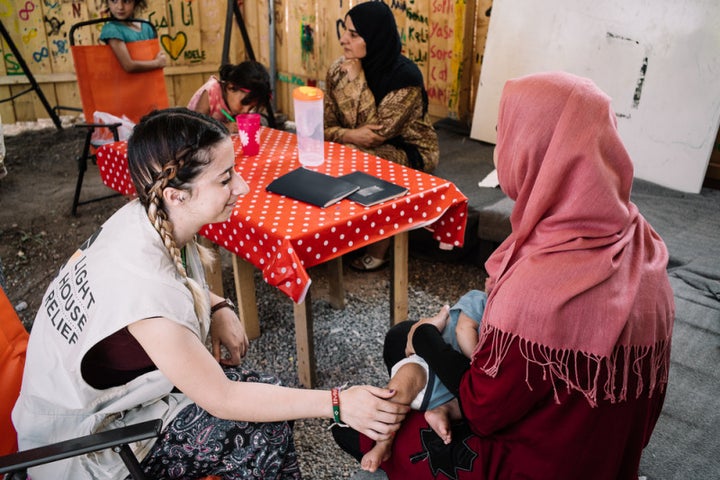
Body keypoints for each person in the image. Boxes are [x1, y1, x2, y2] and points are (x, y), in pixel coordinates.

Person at [12, 107, 408, 480]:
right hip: (84, 446)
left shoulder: (146, 214)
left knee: (270, 399)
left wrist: (218, 304)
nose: (243, 185)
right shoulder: (144, 289)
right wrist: (338, 403)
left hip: (120, 401)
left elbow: (174, 280)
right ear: (176, 194)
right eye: (225, 178)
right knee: (260, 437)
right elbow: (222, 398)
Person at [333, 71, 676, 479]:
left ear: (538, 152)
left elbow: (484, 411)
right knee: (401, 340)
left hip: (539, 461)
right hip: (607, 450)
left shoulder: (541, 285)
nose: (501, 151)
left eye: (506, 135)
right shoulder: (644, 245)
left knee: (350, 423)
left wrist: (425, 336)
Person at [324, 1, 439, 271]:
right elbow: (326, 125)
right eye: (345, 31)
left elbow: (375, 135)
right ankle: (335, 236)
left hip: (409, 149)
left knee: (361, 160)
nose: (343, 40)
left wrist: (357, 82)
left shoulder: (405, 77)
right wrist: (346, 134)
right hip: (355, 141)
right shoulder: (338, 70)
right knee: (325, 155)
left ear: (374, 37)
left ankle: (379, 245)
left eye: (353, 34)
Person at [360, 290, 487, 473]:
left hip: (456, 388)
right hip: (430, 365)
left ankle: (442, 411)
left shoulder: (511, 321)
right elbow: (463, 329)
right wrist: (479, 365)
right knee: (400, 388)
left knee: (467, 404)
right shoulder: (480, 300)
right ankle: (383, 442)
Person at [187, 61, 275, 133]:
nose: (246, 111)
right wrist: (224, 127)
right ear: (231, 86)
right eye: (244, 103)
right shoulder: (211, 92)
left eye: (252, 107)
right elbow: (196, 125)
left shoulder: (233, 100)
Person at [99, 0, 167, 73]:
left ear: (135, 2)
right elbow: (128, 66)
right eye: (114, 1)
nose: (120, 7)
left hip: (150, 82)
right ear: (107, 2)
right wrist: (157, 63)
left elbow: (155, 56)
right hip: (126, 83)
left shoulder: (146, 26)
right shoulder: (111, 30)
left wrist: (158, 61)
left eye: (127, 1)